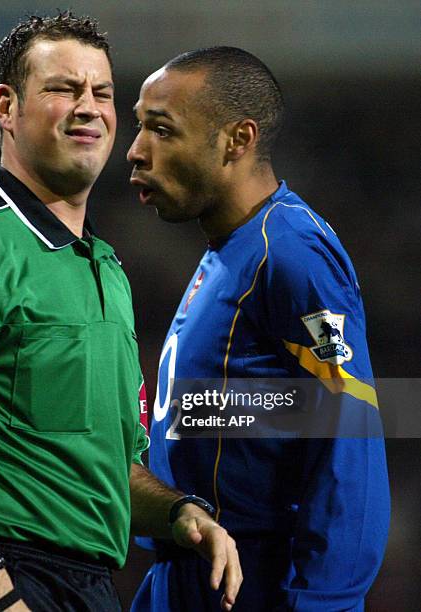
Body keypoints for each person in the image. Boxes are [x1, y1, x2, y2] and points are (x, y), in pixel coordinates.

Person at [0, 15, 241, 612]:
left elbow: (108, 465)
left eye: (101, 92)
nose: (88, 107)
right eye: (62, 89)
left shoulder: (107, 270)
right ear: (6, 106)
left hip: (93, 587)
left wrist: (181, 515)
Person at [127, 47, 390, 611]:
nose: (136, 150)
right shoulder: (232, 248)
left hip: (254, 589)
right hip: (190, 580)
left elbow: (350, 431)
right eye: (139, 127)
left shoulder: (291, 252)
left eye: (161, 130)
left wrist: (325, 604)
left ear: (237, 139)